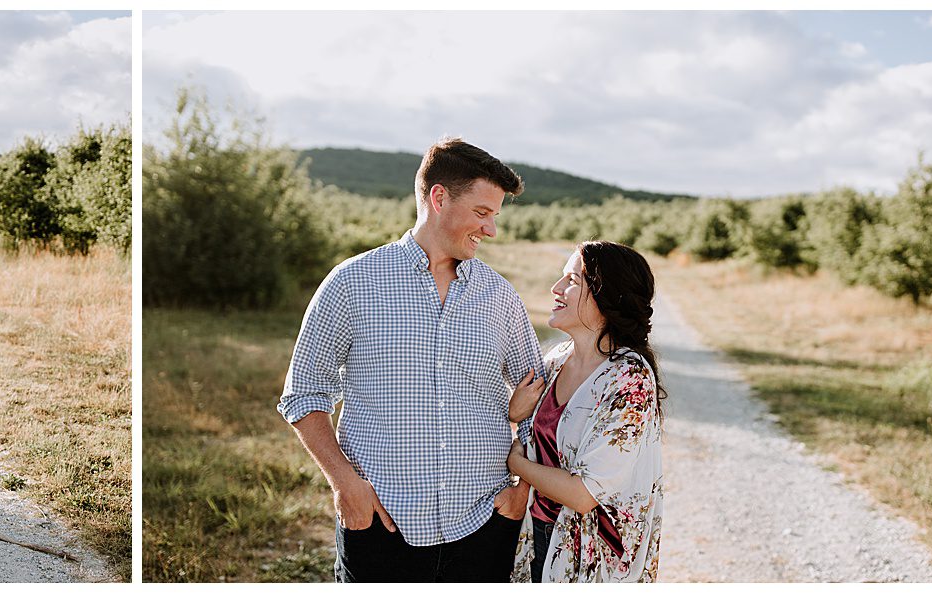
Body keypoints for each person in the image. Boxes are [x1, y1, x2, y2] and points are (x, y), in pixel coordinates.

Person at [279, 137, 546, 582]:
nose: (491, 230)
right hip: (379, 525)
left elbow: (542, 397)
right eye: (482, 213)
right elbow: (303, 394)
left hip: (484, 524)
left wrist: (521, 489)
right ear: (439, 198)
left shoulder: (499, 296)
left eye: (495, 216)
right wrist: (346, 484)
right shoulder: (352, 283)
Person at [504, 241, 664, 583]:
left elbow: (582, 494)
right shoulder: (555, 361)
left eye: (572, 280)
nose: (556, 288)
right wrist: (514, 413)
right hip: (535, 536)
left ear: (607, 298)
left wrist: (517, 464)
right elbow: (530, 431)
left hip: (592, 553)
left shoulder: (629, 379)